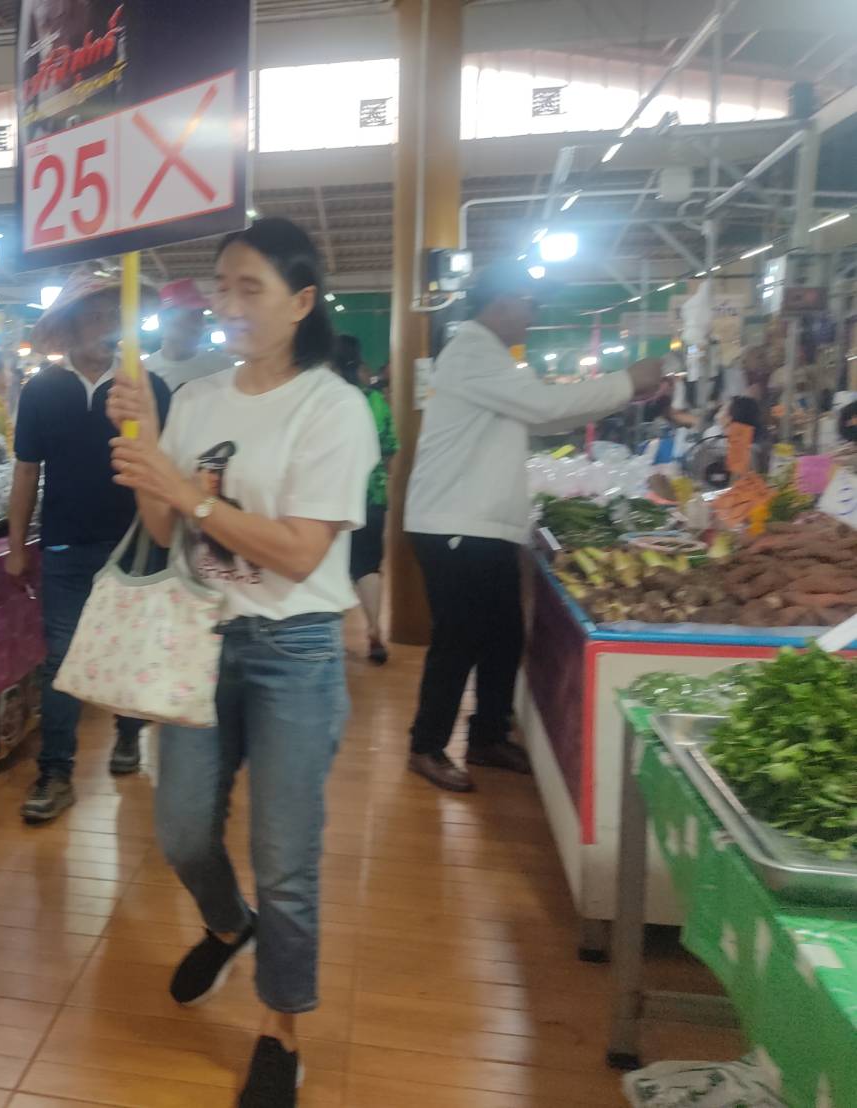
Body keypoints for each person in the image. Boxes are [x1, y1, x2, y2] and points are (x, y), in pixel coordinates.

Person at [108, 218, 375, 1108]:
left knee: (284, 855)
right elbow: (165, 533)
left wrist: (188, 495)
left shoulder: (332, 407)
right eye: (221, 286)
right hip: (200, 635)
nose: (227, 303)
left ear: (301, 303)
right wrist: (150, 455)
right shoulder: (195, 398)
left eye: (249, 287)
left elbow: (299, 552)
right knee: (181, 830)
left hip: (293, 649)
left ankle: (279, 1027)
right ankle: (229, 926)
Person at [403, 262, 665, 793]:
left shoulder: (492, 357)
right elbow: (544, 405)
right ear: (500, 302)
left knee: (503, 635)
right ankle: (426, 745)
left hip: (482, 525)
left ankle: (487, 736)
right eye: (528, 303)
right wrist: (626, 380)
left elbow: (545, 416)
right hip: (456, 522)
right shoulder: (473, 351)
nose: (532, 314)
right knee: (459, 640)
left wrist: (622, 394)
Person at [7, 271, 172, 824]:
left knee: (129, 648)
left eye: (111, 315)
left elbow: (165, 466)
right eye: (93, 316)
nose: (103, 325)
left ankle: (128, 733)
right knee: (62, 659)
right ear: (71, 326)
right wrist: (16, 544)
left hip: (134, 543)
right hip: (64, 546)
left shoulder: (147, 388)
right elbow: (26, 471)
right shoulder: (40, 391)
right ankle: (55, 772)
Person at [332, 335, 396, 665]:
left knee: (330, 565)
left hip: (328, 497)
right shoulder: (373, 400)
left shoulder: (324, 400)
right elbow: (389, 447)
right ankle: (374, 631)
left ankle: (330, 637)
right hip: (370, 495)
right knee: (368, 566)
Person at [146, 278, 234, 391]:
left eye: (200, 314)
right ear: (164, 319)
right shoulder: (145, 372)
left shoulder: (221, 366)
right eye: (191, 314)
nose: (200, 322)